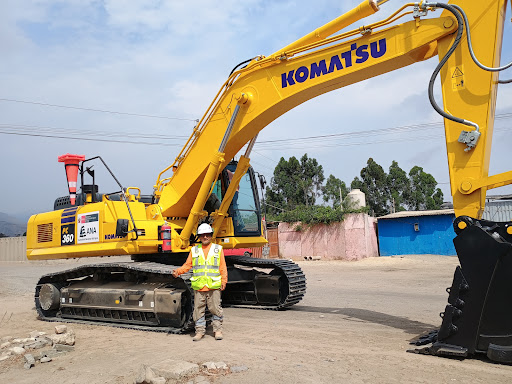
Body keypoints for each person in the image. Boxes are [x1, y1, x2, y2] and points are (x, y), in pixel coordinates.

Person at [172, 223, 227, 341]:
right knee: (198, 310)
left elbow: (222, 267)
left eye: (207, 235)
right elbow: (187, 265)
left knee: (215, 309)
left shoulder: (217, 249)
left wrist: (224, 280)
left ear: (211, 235)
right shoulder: (194, 250)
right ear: (199, 237)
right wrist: (178, 271)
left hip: (213, 285)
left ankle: (217, 330)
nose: (205, 237)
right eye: (202, 235)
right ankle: (200, 331)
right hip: (200, 286)